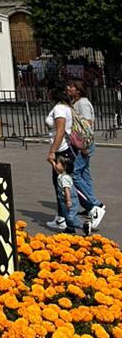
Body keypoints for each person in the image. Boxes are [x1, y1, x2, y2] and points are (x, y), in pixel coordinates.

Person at [66, 79, 106, 229]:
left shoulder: (82, 103)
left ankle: (95, 204)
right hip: (81, 144)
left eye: (71, 86)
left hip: (83, 144)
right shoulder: (76, 103)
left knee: (75, 173)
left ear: (78, 90)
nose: (68, 88)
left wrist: (82, 145)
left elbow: (86, 125)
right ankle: (92, 204)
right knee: (84, 173)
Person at [45, 83, 76, 231]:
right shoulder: (66, 107)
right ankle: (61, 216)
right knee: (62, 183)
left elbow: (60, 131)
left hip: (61, 150)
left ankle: (65, 218)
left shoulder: (59, 109)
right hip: (64, 149)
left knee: (61, 184)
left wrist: (52, 151)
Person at [52, 152, 85, 235]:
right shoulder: (61, 174)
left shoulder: (65, 178)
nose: (56, 164)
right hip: (63, 199)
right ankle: (70, 228)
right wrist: (52, 162)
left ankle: (83, 225)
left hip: (70, 199)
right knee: (67, 215)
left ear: (64, 166)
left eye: (58, 163)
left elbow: (67, 190)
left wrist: (69, 200)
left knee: (70, 216)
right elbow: (56, 169)